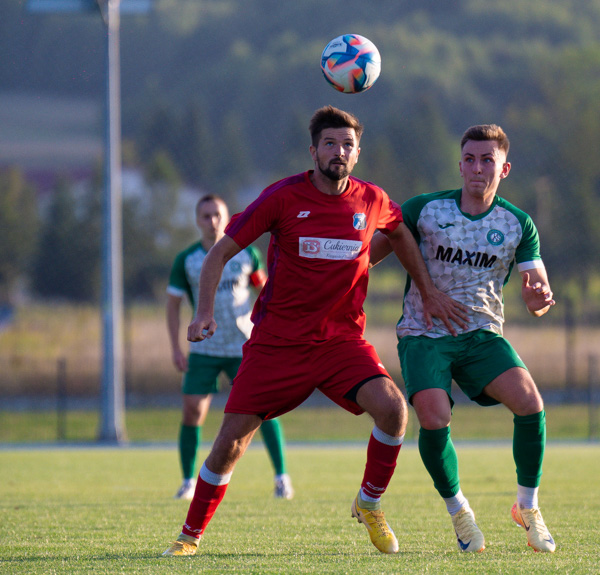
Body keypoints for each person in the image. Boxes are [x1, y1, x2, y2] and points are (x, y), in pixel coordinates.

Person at [162, 105, 464, 557]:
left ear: (358, 153)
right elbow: (218, 254)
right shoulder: (282, 198)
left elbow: (400, 234)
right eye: (329, 144)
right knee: (230, 443)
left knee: (394, 410)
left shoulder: (373, 200)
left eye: (347, 145)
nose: (338, 151)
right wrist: (203, 312)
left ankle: (370, 503)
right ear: (314, 151)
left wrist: (429, 291)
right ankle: (189, 537)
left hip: (341, 342)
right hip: (277, 344)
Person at [370, 123, 557, 553]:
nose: (477, 168)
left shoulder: (517, 224)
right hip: (424, 334)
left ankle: (527, 507)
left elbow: (537, 295)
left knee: (530, 402)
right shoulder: (424, 210)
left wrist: (540, 297)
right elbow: (369, 257)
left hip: (481, 335)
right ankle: (460, 513)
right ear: (459, 165)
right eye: (470, 159)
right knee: (434, 418)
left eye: (487, 160)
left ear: (504, 168)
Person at [166, 195, 293, 502]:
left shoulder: (246, 253)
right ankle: (187, 481)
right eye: (206, 216)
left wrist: (273, 333)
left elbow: (266, 292)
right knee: (193, 410)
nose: (212, 221)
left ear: (227, 217)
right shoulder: (187, 260)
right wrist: (175, 348)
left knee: (264, 411)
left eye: (217, 215)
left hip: (244, 347)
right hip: (205, 349)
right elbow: (172, 305)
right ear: (198, 221)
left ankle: (281, 477)